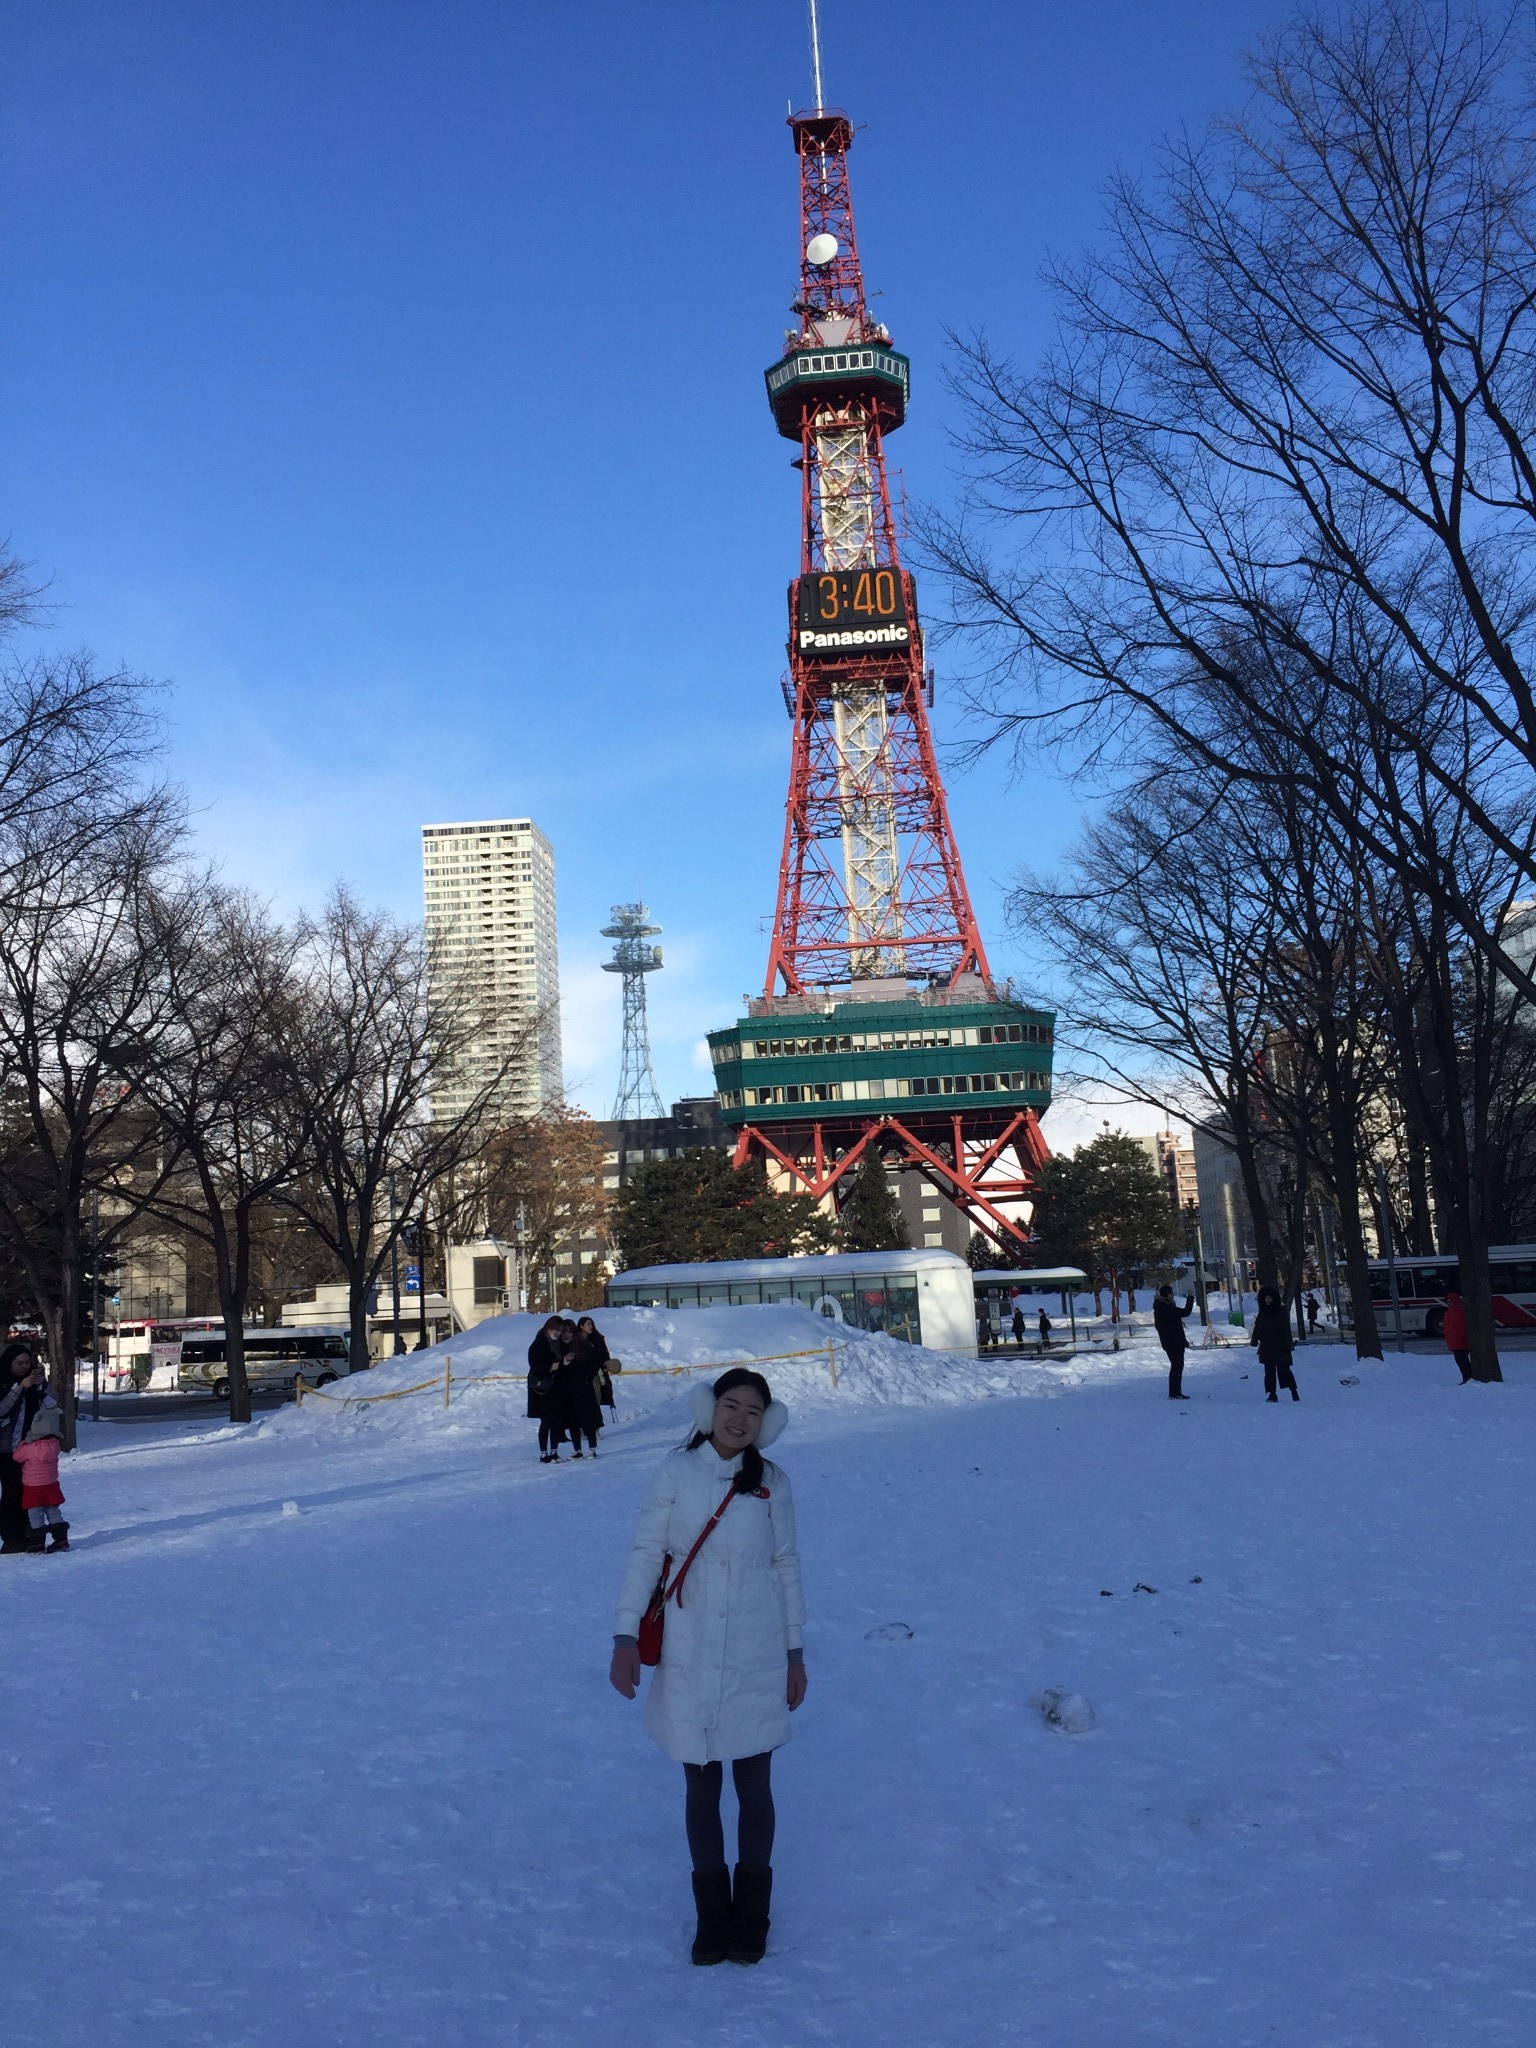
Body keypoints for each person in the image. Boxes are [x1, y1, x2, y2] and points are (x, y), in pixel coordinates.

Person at [610, 1368, 806, 1968]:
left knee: (753, 1786)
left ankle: (751, 1914)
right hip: (689, 1647)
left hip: (756, 1648)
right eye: (731, 1404)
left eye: (753, 1410)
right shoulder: (676, 1471)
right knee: (701, 1785)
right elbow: (646, 1551)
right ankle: (710, 1915)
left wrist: (796, 1653)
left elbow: (786, 1566)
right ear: (710, 1408)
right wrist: (623, 1637)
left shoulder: (771, 1482)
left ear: (765, 1421)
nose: (740, 1418)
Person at [0, 1344, 57, 1554]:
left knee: (30, 1493)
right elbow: (2, 1409)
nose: (24, 1367)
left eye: (27, 1362)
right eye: (20, 1363)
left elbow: (52, 1405)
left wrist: (41, 1386)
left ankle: (30, 1534)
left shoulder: (35, 1384)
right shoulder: (5, 1383)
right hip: (7, 1449)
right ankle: (11, 1537)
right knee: (11, 1493)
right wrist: (20, 1388)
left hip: (32, 1449)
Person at [13, 1408, 67, 1552]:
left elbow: (17, 1457)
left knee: (35, 1514)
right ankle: (61, 1540)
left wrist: (24, 1442)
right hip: (51, 1484)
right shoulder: (55, 1445)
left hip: (33, 1486)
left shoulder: (30, 1448)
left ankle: (37, 1542)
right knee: (53, 1511)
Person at [560, 1319, 604, 1458]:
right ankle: (577, 1450)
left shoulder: (585, 1345)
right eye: (565, 1332)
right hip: (570, 1387)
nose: (567, 1335)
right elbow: (560, 1366)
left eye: (569, 1332)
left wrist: (587, 1377)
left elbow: (595, 1361)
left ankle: (592, 1448)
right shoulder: (563, 1346)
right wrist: (566, 1361)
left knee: (588, 1418)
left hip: (584, 1386)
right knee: (573, 1420)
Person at [526, 1315, 564, 1464]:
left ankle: (554, 1451)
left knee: (556, 1420)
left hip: (556, 1386)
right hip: (541, 1388)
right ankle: (544, 1453)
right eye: (556, 1330)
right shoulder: (538, 1344)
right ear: (549, 1328)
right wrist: (549, 1368)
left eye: (560, 1330)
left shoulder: (559, 1344)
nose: (558, 1333)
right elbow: (534, 1365)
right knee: (546, 1421)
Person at [1251, 1285, 1300, 1401]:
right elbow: (1258, 1327)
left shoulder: (1281, 1311)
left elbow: (1286, 1329)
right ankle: (1272, 1394)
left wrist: (1289, 1344)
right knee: (1269, 1373)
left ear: (1274, 1298)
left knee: (1285, 1371)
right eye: (1265, 1298)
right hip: (1267, 1347)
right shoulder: (1263, 1312)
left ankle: (1293, 1390)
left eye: (1269, 1298)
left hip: (1280, 1346)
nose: (1267, 1300)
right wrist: (1254, 1339)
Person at [1153, 1285, 1196, 1399]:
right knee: (1177, 1365)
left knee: (1176, 1365)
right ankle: (1174, 1392)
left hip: (1169, 1341)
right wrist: (1190, 1297)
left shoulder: (1159, 1307)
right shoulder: (1167, 1307)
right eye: (1171, 1293)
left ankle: (1175, 1391)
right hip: (1174, 1341)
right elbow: (1186, 1312)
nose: (1173, 1295)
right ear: (1168, 1294)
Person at [577, 1316, 616, 1420]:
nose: (591, 1326)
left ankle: (595, 1429)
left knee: (595, 1401)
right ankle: (581, 1429)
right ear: (581, 1326)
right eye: (588, 1324)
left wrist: (606, 1364)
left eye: (592, 1324)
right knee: (581, 1403)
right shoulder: (575, 1341)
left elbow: (605, 1355)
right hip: (579, 1376)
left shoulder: (597, 1339)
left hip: (595, 1374)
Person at [1442, 1290, 1472, 1382]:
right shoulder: (1449, 1313)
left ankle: (1467, 1378)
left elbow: (1461, 1327)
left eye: (1450, 1301)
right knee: (1461, 1361)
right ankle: (1467, 1378)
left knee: (1462, 1361)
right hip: (1455, 1341)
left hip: (1460, 1342)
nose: (1448, 1303)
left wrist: (1459, 1338)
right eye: (1448, 1302)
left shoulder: (1459, 1312)